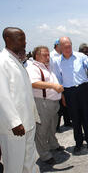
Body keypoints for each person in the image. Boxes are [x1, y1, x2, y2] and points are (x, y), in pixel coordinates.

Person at [52, 37, 88, 154]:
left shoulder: (80, 56)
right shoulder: (57, 61)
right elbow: (58, 79)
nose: (68, 49)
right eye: (65, 47)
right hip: (69, 92)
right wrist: (63, 96)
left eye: (69, 46)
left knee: (86, 116)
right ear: (60, 47)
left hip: (83, 89)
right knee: (75, 119)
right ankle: (78, 143)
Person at [0, 27, 39, 173]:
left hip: (28, 122)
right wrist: (14, 122)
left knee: (29, 161)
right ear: (8, 40)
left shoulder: (17, 60)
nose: (25, 42)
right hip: (14, 127)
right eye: (21, 39)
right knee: (14, 165)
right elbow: (2, 95)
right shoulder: (2, 62)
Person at [26, 46, 65, 164]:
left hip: (53, 102)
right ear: (36, 56)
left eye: (48, 54)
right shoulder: (33, 67)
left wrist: (61, 96)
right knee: (42, 130)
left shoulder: (47, 66)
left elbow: (54, 81)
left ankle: (53, 144)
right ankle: (45, 154)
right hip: (43, 103)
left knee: (52, 126)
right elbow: (34, 83)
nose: (48, 57)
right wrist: (53, 86)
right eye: (45, 55)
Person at [50, 39, 72, 131]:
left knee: (66, 104)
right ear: (56, 46)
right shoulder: (52, 56)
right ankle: (56, 126)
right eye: (61, 46)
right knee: (59, 107)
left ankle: (67, 121)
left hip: (65, 83)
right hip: (57, 83)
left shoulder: (63, 55)